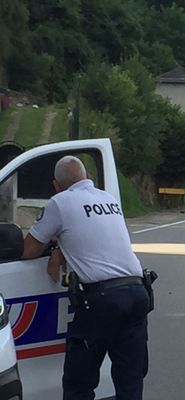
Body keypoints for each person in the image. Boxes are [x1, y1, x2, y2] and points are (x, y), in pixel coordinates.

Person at [21, 156, 150, 400]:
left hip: (102, 301)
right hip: (137, 294)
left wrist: (55, 245)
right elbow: (93, 237)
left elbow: (28, 250)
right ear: (87, 177)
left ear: (56, 185)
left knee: (78, 383)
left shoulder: (60, 203)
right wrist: (61, 248)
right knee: (130, 383)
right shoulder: (108, 199)